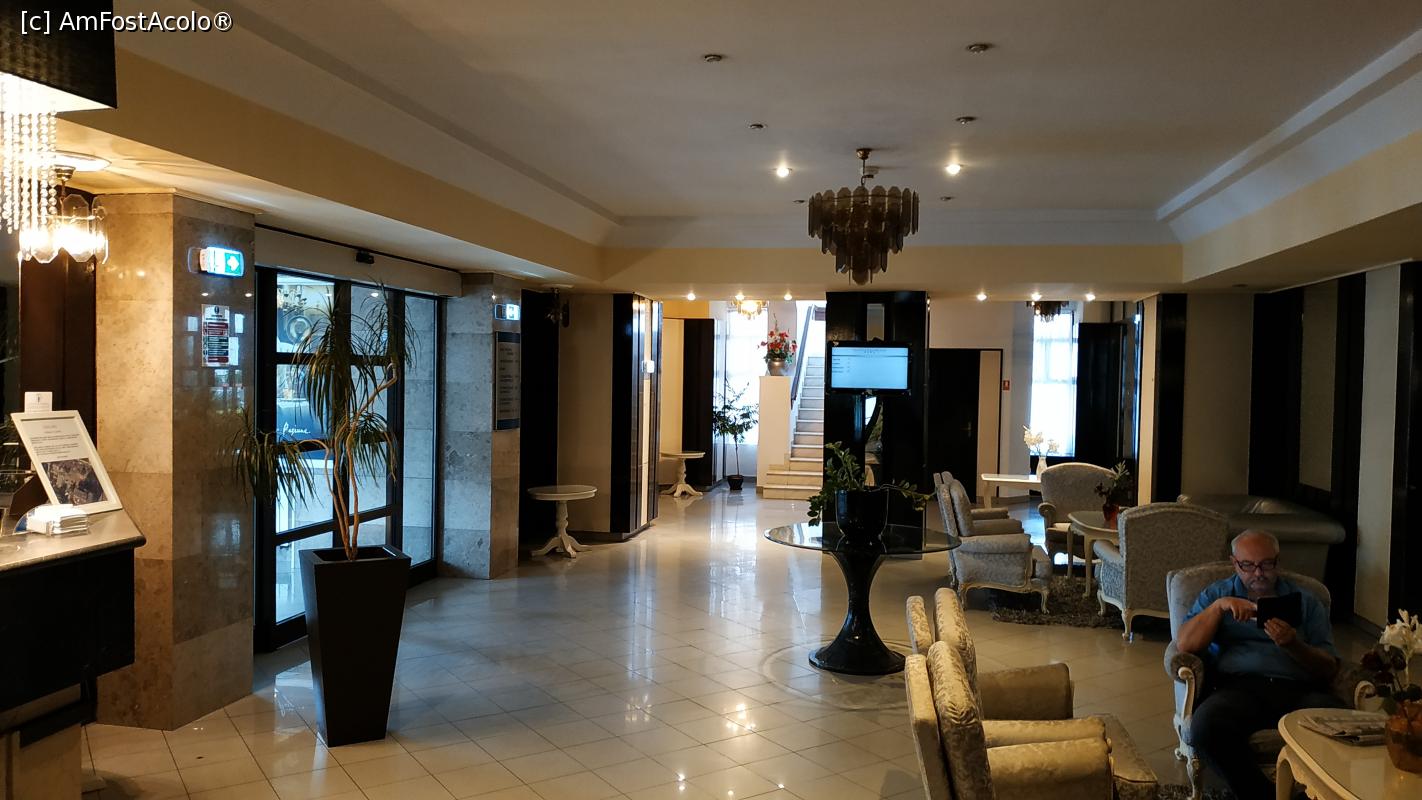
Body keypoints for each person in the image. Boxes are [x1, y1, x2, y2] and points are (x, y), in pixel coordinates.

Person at [1175, 530, 1343, 798]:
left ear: (1278, 561)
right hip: (1238, 687)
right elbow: (1185, 645)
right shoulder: (1217, 594)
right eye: (1248, 565)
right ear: (1234, 563)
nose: (1258, 573)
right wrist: (1218, 608)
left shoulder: (1306, 600)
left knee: (1341, 723)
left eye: (1266, 564)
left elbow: (1329, 667)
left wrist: (1293, 645)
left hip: (1297, 688)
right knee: (1206, 727)